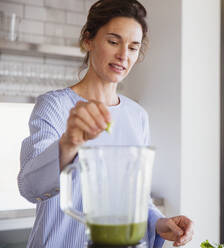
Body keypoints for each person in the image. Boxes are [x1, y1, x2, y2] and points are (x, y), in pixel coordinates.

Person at [18, 0, 193, 247]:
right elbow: (30, 187)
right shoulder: (54, 106)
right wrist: (69, 143)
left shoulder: (137, 116)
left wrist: (158, 222)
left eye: (133, 48)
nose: (123, 55)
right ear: (88, 40)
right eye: (113, 42)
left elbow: (136, 197)